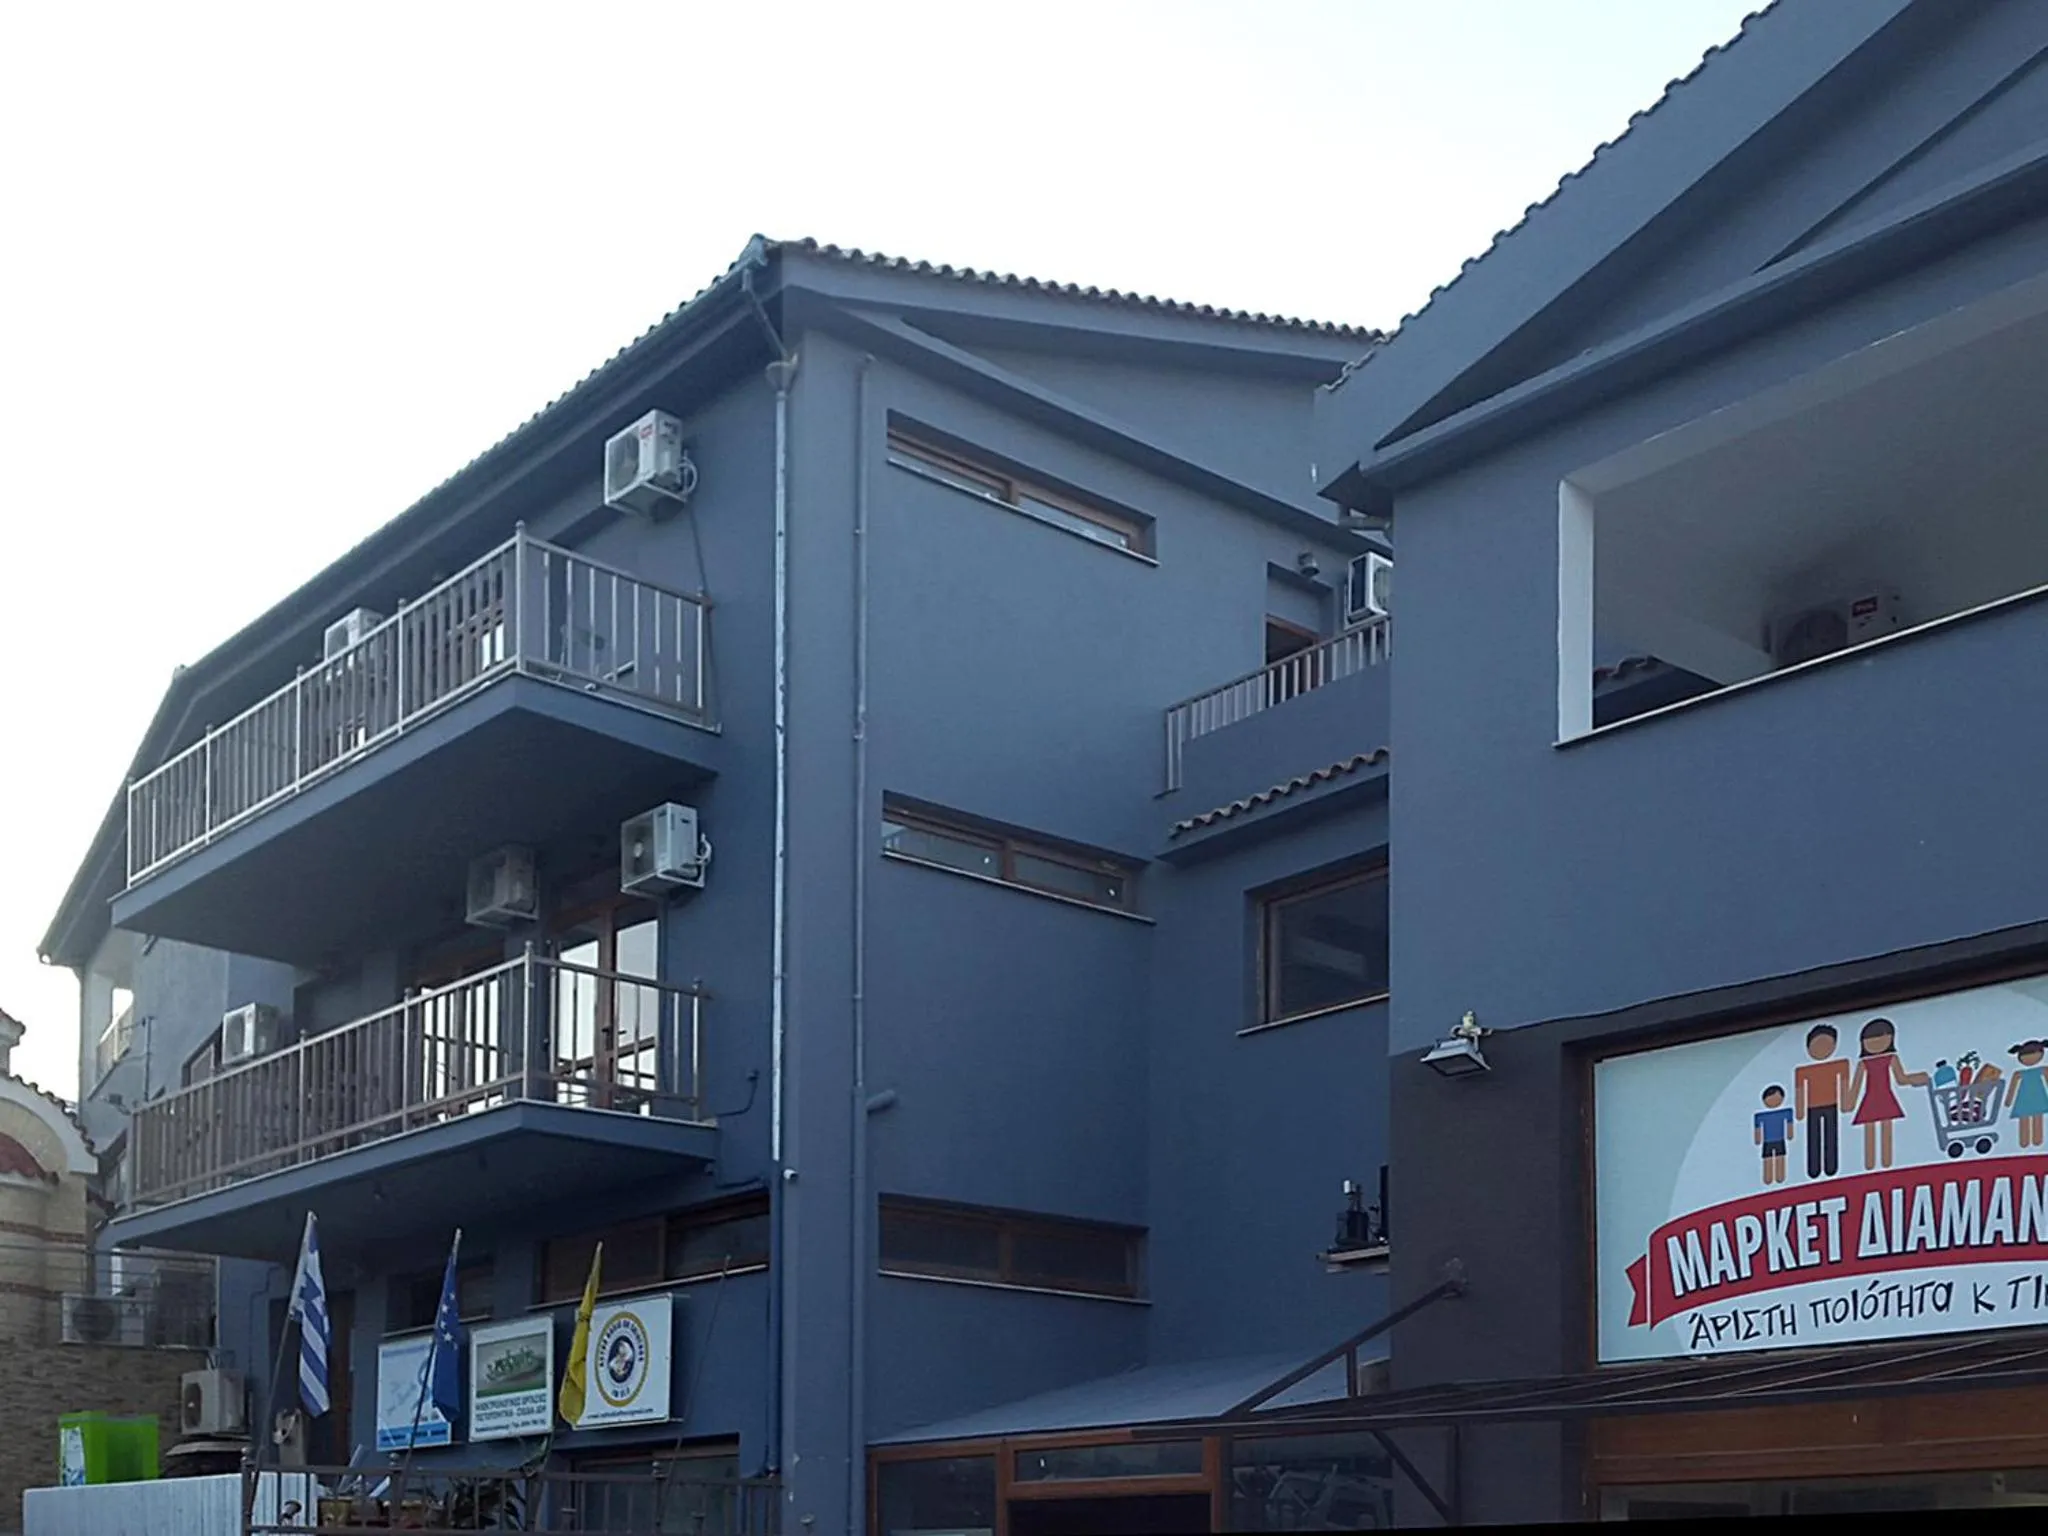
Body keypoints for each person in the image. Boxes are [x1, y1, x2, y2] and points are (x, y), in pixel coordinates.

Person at [1848, 1017, 1929, 1171]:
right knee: (1870, 1130)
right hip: (1870, 1098)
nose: (1876, 1043)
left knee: (1886, 1128)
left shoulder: (1891, 1058)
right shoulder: (1863, 1063)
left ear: (1890, 1039)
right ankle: (1870, 1165)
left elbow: (1901, 1079)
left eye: (1881, 1038)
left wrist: (1918, 1078)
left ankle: (1886, 1164)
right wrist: (1850, 1102)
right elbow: (1856, 1085)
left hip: (1885, 1096)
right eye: (1871, 1039)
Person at [1794, 1024, 1850, 1179]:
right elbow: (1800, 1090)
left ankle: (1831, 1166)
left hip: (1832, 1105)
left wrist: (1845, 1103)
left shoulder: (1839, 1065)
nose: (1822, 1049)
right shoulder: (1803, 1071)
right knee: (1813, 1137)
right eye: (1817, 1045)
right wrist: (1799, 1111)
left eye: (1827, 1045)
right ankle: (1814, 1169)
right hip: (1811, 1107)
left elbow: (1844, 1083)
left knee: (1831, 1135)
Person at [2009, 1040, 2048, 1149]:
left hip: (2037, 1096)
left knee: (2037, 1117)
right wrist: (2009, 1099)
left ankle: (2037, 1140)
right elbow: (2013, 1086)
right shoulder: (2019, 1073)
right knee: (2024, 1119)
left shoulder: (2043, 1070)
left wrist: (2009, 1100)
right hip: (2024, 1098)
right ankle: (2024, 1141)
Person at [1754, 1085, 1795, 1186]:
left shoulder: (1785, 1112)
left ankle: (1780, 1176)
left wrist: (1790, 1134)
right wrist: (1758, 1139)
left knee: (1780, 1157)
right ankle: (1767, 1178)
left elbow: (1789, 1123)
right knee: (1767, 1159)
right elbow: (1758, 1128)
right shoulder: (1761, 1116)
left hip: (1780, 1139)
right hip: (1767, 1141)